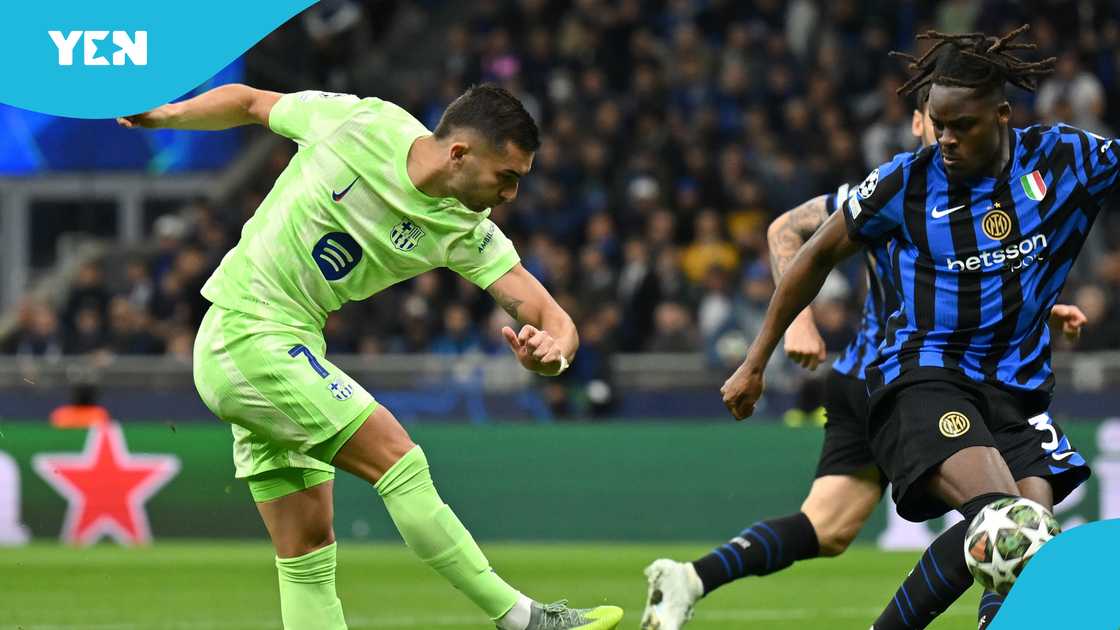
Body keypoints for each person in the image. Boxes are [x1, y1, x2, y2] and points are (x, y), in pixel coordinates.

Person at [119, 83, 623, 630]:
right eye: (507, 176)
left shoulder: (464, 230)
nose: (511, 194)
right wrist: (167, 115)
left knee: (307, 548)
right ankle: (523, 620)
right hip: (244, 335)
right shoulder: (360, 124)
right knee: (398, 459)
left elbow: (553, 317)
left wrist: (555, 353)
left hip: (286, 347)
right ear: (459, 153)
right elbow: (250, 103)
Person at [641, 74, 1089, 630]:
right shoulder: (892, 187)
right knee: (1008, 520)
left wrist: (1046, 307)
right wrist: (798, 323)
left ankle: (691, 578)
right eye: (936, 122)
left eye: (959, 123)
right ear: (917, 123)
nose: (946, 137)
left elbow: (981, 282)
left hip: (956, 377)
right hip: (892, 378)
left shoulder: (1004, 186)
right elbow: (787, 230)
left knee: (834, 529)